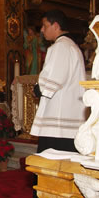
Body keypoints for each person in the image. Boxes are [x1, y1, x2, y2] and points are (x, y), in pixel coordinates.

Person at [30, 9, 87, 153]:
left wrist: (38, 88)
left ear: (55, 25)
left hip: (58, 122)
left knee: (50, 165)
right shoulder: (72, 46)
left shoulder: (60, 46)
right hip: (70, 117)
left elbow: (53, 79)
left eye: (44, 25)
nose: (42, 30)